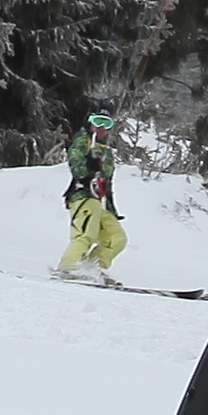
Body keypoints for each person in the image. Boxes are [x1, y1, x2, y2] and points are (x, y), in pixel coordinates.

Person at [58, 112, 127, 285]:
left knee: (116, 238)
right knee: (86, 233)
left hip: (101, 201)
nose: (102, 127)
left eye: (106, 124)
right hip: (84, 196)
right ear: (90, 124)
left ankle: (93, 267)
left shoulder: (107, 152)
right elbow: (76, 167)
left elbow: (107, 181)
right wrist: (88, 164)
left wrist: (111, 207)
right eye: (97, 122)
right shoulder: (83, 142)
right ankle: (69, 266)